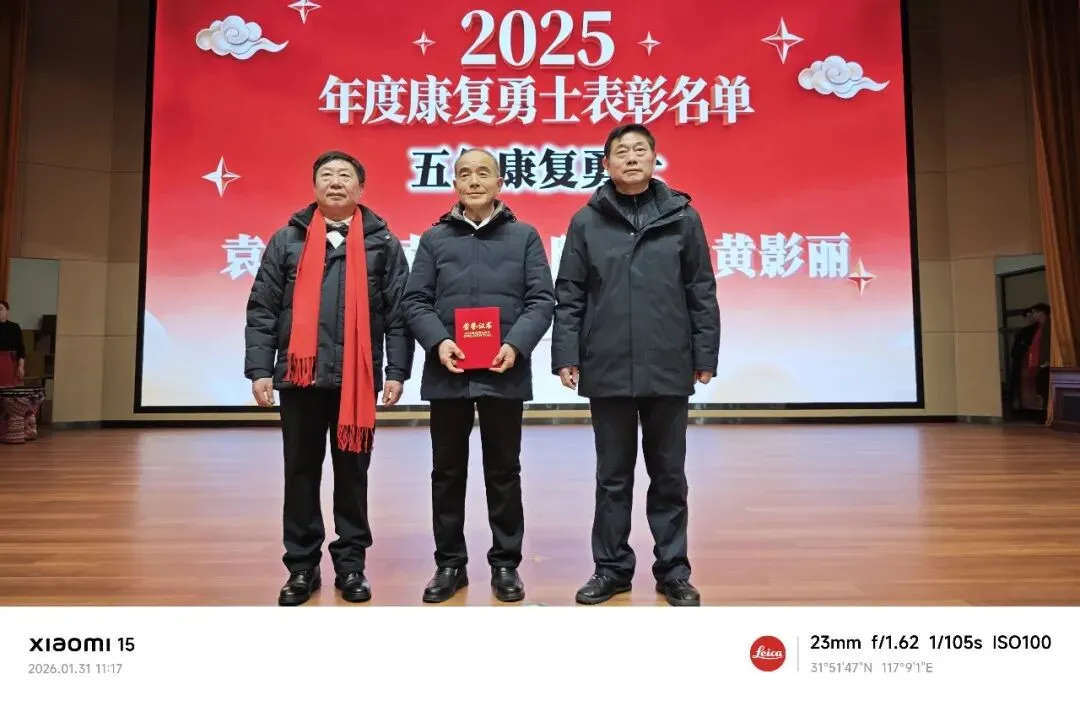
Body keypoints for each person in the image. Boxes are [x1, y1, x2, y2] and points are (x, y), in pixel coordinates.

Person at [551, 124, 721, 607]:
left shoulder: (683, 217)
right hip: (606, 365)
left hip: (668, 363)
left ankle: (673, 572)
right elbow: (570, 292)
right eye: (621, 152)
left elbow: (700, 289)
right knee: (612, 477)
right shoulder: (586, 221)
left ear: (654, 159)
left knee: (669, 476)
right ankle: (611, 570)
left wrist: (705, 354)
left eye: (639, 150)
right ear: (605, 165)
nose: (631, 157)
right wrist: (566, 354)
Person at [244, 150, 414, 606]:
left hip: (356, 380)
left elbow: (399, 314)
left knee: (352, 475)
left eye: (344, 176)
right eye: (326, 175)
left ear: (361, 188)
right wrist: (259, 368)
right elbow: (262, 309)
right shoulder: (287, 240)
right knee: (300, 473)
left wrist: (396, 371)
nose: (335, 182)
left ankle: (351, 565)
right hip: (298, 379)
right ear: (314, 185)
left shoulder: (383, 244)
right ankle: (301, 567)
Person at [402, 148, 555, 604]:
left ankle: (505, 564)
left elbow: (542, 300)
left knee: (503, 471)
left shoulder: (524, 236)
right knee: (446, 472)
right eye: (464, 173)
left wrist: (516, 344)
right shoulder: (434, 239)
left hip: (503, 370)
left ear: (499, 183)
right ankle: (450, 564)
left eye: (483, 173)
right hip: (448, 371)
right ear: (454, 184)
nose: (473, 180)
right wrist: (438, 341)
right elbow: (415, 300)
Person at [0, 301, 26, 386]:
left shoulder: (14, 327)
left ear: (7, 311)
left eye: (0, 309)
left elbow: (20, 348)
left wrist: (21, 366)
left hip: (10, 363)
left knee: (10, 390)